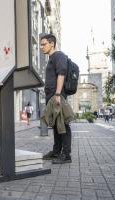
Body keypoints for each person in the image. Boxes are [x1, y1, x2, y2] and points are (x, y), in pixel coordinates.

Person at [40, 34, 72, 164]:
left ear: (52, 44)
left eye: (44, 44)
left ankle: (66, 155)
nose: (41, 47)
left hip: (56, 96)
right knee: (56, 125)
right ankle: (56, 151)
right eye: (41, 45)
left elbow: (61, 74)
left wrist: (58, 94)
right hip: (51, 96)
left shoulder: (58, 55)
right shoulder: (51, 58)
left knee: (63, 124)